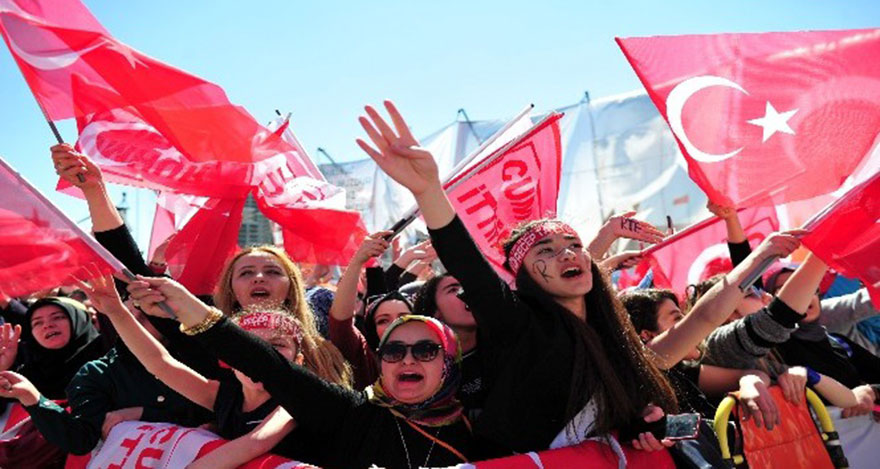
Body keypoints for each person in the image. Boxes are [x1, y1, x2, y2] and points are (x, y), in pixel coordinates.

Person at [356, 101, 677, 460]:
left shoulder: (613, 333)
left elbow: (626, 411)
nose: (567, 254)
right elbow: (468, 265)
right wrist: (428, 191)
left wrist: (644, 424)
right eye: (546, 251)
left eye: (574, 245)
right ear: (524, 276)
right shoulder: (519, 324)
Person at [125, 275, 475, 469]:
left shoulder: (479, 427)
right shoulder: (353, 412)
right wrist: (188, 309)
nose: (408, 360)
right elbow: (271, 369)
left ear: (448, 362)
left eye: (427, 350)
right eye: (395, 350)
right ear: (380, 361)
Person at [71, 273, 324, 467]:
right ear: (229, 360)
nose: (263, 357)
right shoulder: (222, 395)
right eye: (252, 347)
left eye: (277, 345)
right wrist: (116, 312)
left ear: (298, 360)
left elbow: (252, 444)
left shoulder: (296, 404)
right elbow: (159, 362)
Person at [0, 300, 212, 455]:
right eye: (126, 317)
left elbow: (227, 408)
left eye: (145, 315)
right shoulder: (96, 372)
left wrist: (143, 413)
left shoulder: (203, 352)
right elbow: (81, 438)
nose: (136, 324)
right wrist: (32, 398)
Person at [328, 231, 415, 389]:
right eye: (383, 320)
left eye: (403, 316)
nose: (395, 323)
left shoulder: (435, 351)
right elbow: (341, 323)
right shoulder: (366, 361)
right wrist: (357, 261)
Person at [0, 297, 109, 400]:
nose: (47, 325)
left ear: (78, 321)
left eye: (57, 317)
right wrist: (3, 369)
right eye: (37, 322)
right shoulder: (26, 376)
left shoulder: (110, 356)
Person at [413, 274, 486, 415]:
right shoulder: (423, 369)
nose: (466, 292)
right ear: (435, 312)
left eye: (468, 285)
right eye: (453, 289)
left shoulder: (508, 349)